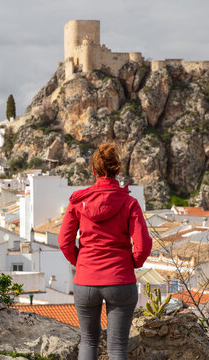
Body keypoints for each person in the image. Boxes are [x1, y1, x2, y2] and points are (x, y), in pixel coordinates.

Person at [58, 142, 152, 360]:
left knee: (88, 341)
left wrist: (80, 262)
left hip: (86, 281)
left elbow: (64, 241)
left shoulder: (78, 202)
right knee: (117, 347)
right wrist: (132, 264)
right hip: (120, 280)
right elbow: (143, 245)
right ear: (117, 170)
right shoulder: (129, 203)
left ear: (94, 170)